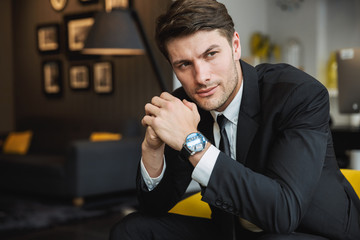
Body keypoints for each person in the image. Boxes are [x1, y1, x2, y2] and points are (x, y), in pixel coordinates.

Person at [110, 0, 360, 239]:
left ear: (235, 46)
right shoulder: (186, 106)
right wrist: (152, 151)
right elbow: (154, 207)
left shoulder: (297, 94)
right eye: (184, 64)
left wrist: (192, 142)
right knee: (133, 230)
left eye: (210, 54)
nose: (201, 77)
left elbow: (283, 213)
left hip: (306, 229)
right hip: (232, 231)